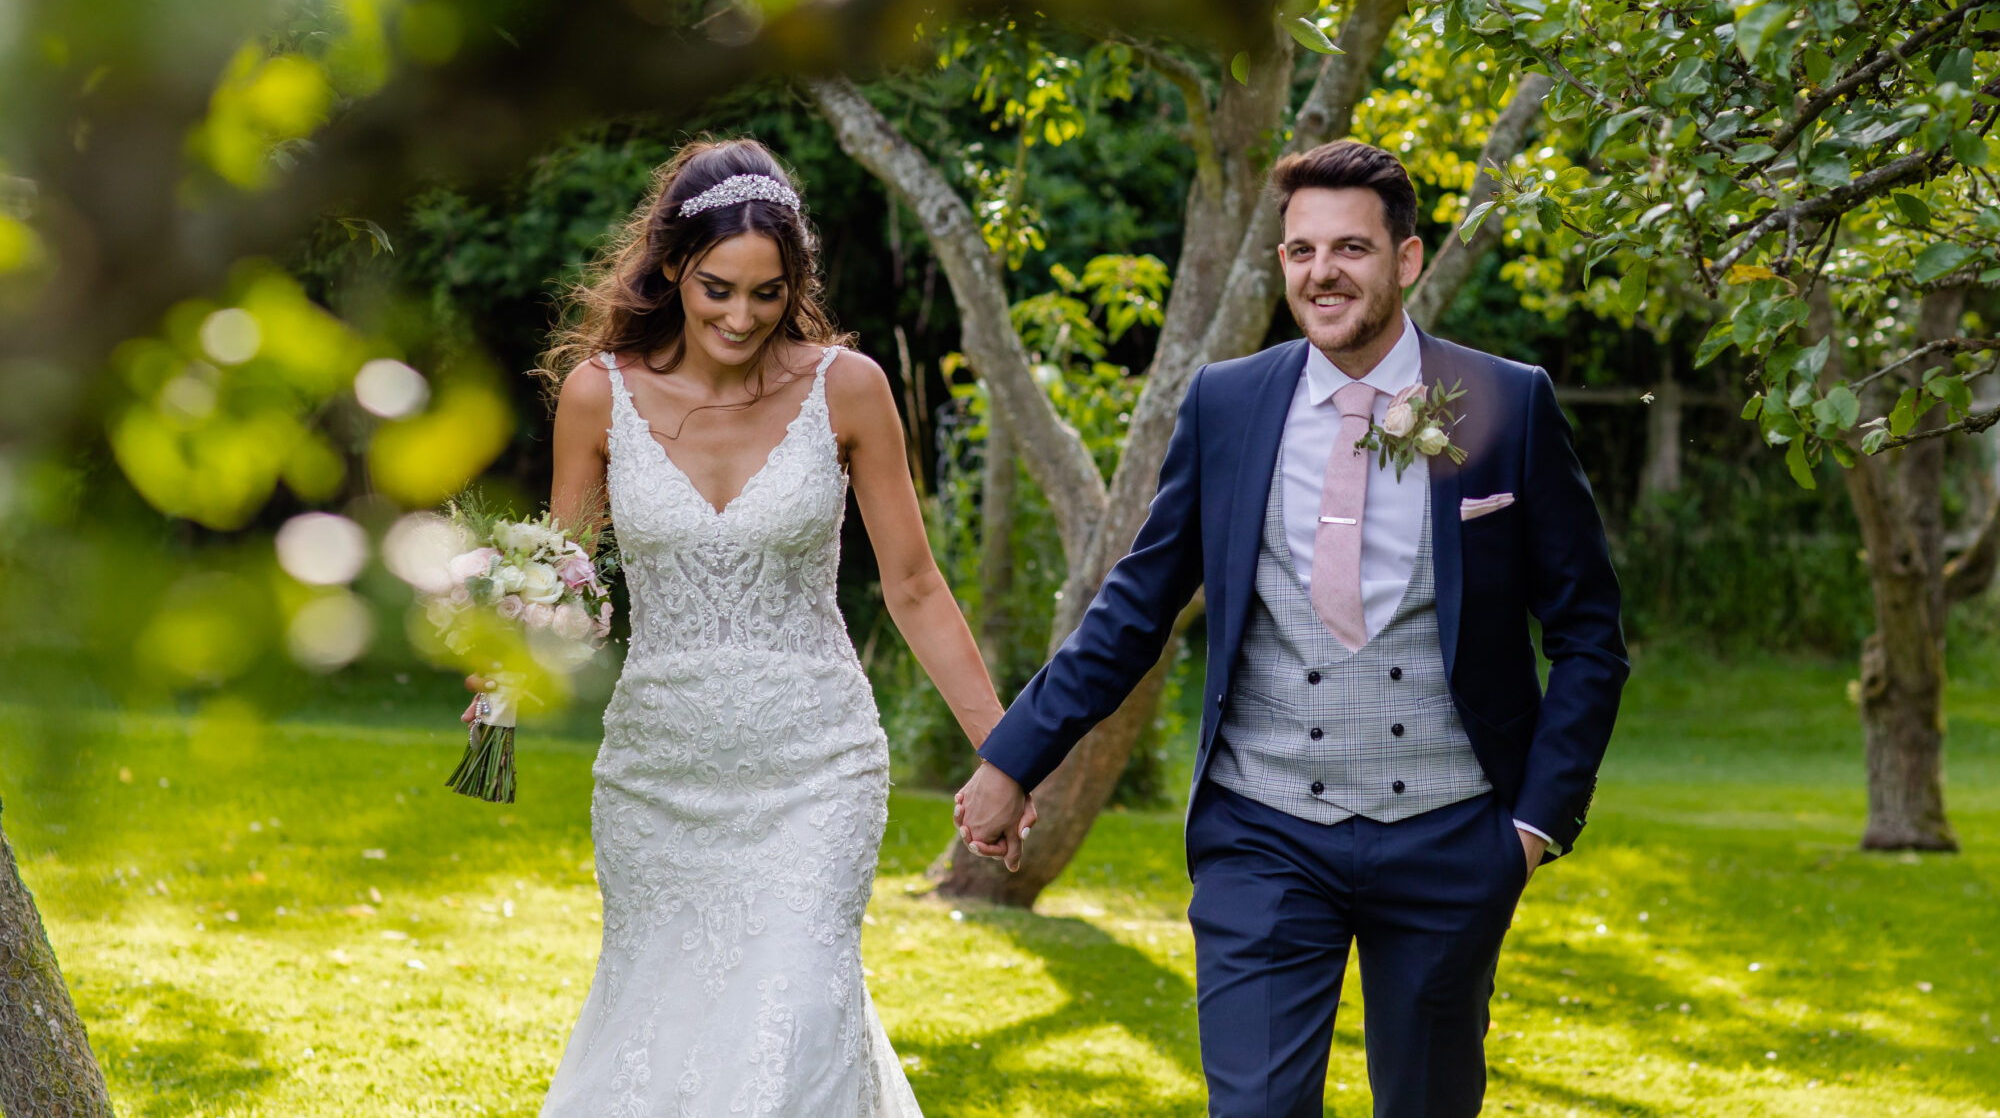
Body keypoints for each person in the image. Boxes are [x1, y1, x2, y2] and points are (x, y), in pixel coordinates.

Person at [955, 139, 1628, 1118]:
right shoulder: (1229, 404)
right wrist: (1015, 757)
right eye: (1301, 251)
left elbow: (1588, 635)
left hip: (1449, 838)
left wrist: (1529, 828)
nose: (1323, 274)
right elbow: (1135, 607)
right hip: (1262, 832)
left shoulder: (1495, 402)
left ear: (1405, 259)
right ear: (1280, 263)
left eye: (1350, 249)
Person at [537, 139, 1003, 1117]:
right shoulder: (598, 397)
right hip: (658, 777)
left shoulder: (850, 388)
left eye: (766, 291)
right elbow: (568, 593)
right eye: (717, 290)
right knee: (658, 1031)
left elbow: (914, 586)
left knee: (790, 1021)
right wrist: (507, 653)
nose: (741, 317)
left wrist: (1003, 751)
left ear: (795, 282)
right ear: (670, 267)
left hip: (815, 766)